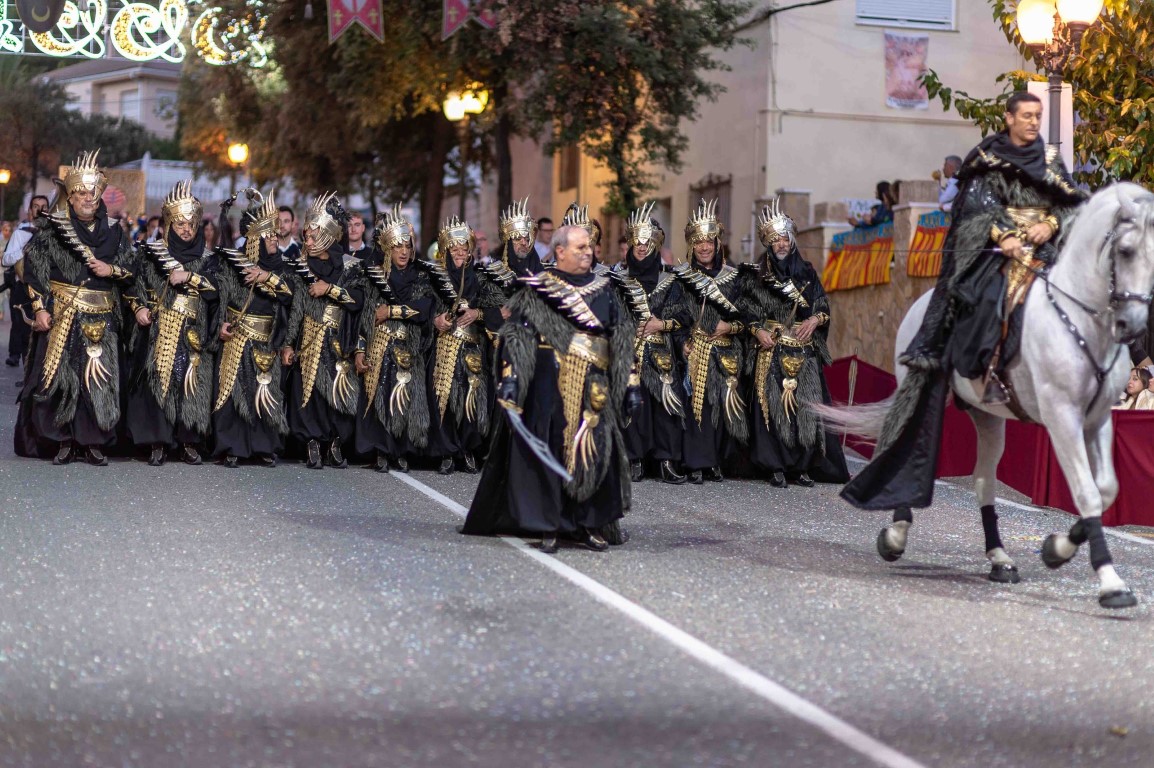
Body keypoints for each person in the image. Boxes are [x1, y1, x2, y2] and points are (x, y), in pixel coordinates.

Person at [843, 91, 1086, 511]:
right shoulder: (987, 159)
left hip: (1044, 253)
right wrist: (1003, 234)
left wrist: (1050, 223)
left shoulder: (1049, 160)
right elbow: (975, 206)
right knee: (993, 296)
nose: (1033, 122)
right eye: (1026, 115)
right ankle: (989, 369)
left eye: (1038, 116)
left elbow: (1070, 201)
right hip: (997, 255)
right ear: (1008, 118)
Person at [462, 224, 638, 553]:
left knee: (590, 451)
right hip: (546, 385)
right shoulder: (539, 289)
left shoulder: (604, 289)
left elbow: (620, 337)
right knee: (549, 452)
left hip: (592, 386)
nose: (588, 252)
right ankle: (549, 525)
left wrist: (630, 383)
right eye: (580, 247)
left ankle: (588, 524)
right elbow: (517, 337)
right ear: (560, 251)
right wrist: (511, 381)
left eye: (589, 247)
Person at [16, 150, 136, 465]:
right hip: (62, 314)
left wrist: (111, 270)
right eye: (81, 192)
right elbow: (34, 270)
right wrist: (40, 309)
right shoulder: (53, 228)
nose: (88, 197)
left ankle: (92, 441)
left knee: (98, 379)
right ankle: (62, 441)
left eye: (92, 192)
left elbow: (132, 270)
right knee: (59, 379)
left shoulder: (114, 230)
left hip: (102, 318)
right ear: (70, 196)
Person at [738, 199, 849, 488]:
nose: (781, 244)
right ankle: (774, 465)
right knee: (772, 409)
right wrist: (757, 331)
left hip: (803, 350)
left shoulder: (807, 272)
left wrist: (815, 319)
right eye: (775, 239)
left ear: (792, 240)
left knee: (805, 409)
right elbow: (745, 310)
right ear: (768, 243)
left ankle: (802, 466)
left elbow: (822, 304)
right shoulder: (756, 275)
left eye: (785, 238)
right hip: (771, 350)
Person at [123, 181, 219, 466]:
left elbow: (219, 292)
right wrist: (139, 308)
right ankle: (158, 441)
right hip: (158, 328)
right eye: (180, 224)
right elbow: (132, 285)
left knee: (190, 382)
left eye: (191, 224)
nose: (186, 229)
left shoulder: (209, 259)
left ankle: (189, 442)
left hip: (194, 331)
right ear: (168, 225)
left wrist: (190, 277)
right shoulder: (149, 254)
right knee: (157, 382)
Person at [211, 189, 295, 468]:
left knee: (264, 389)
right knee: (234, 389)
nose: (274, 239)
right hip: (237, 336)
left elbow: (290, 297)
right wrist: (220, 324)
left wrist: (266, 277)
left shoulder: (282, 267)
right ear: (255, 238)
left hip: (266, 339)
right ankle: (232, 446)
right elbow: (219, 297)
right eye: (268, 235)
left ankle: (263, 446)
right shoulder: (234, 263)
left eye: (275, 234)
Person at [348, 204, 434, 472]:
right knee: (379, 395)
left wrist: (391, 311)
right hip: (379, 345)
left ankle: (401, 450)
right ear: (388, 248)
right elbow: (365, 317)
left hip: (408, 346)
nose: (404, 252)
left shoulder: (421, 275)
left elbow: (423, 309)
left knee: (405, 395)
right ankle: (381, 451)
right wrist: (359, 351)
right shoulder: (374, 276)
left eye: (407, 246)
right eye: (398, 247)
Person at [280, 193, 363, 469]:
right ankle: (312, 443)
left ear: (328, 236)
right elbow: (296, 310)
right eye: (306, 237)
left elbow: (358, 301)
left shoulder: (351, 267)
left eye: (314, 237)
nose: (308, 242)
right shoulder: (302, 267)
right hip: (310, 339)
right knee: (309, 392)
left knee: (340, 391)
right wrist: (288, 344)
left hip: (340, 339)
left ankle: (335, 443)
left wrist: (330, 289)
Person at [671, 198, 748, 484]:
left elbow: (748, 317)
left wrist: (730, 326)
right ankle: (696, 462)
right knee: (698, 406)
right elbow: (675, 316)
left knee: (723, 404)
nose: (704, 247)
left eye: (709, 241)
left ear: (717, 244)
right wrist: (682, 342)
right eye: (699, 242)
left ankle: (717, 462)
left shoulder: (734, 277)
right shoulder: (682, 278)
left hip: (726, 351)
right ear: (692, 245)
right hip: (697, 350)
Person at [613, 203, 689, 484]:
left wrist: (662, 325)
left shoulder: (670, 281)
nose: (642, 247)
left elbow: (683, 317)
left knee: (666, 406)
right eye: (638, 243)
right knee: (634, 406)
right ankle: (635, 459)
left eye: (647, 243)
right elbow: (611, 315)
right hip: (630, 353)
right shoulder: (618, 281)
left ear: (656, 245)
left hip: (661, 352)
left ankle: (667, 461)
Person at [424, 217, 500, 475]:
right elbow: (424, 307)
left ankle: (467, 450)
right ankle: (446, 452)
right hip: (444, 347)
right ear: (445, 251)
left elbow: (497, 309)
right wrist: (436, 319)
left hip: (472, 348)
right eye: (454, 248)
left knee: (472, 398)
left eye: (464, 248)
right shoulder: (434, 278)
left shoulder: (481, 279)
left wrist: (478, 313)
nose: (459, 253)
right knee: (443, 398)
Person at [3, 195, 50, 370]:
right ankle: (26, 373)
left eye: (44, 206)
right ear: (30, 211)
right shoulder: (20, 233)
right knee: (23, 331)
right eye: (36, 206)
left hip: (45, 290)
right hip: (22, 288)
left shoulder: (52, 235)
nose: (40, 210)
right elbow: (6, 260)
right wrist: (24, 250)